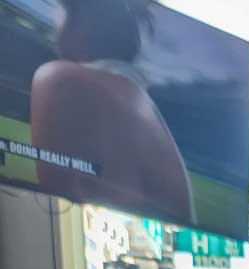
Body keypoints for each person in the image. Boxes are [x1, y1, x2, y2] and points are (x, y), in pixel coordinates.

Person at [31, 0, 195, 227]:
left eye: (59, 8)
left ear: (80, 21)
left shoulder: (58, 79)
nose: (53, 24)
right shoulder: (140, 101)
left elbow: (52, 195)